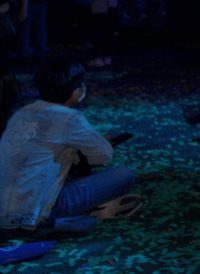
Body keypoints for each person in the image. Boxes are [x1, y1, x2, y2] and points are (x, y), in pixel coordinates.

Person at [0, 59, 139, 235]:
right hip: (31, 213)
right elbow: (103, 156)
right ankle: (55, 222)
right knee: (124, 175)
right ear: (75, 92)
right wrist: (100, 144)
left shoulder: (22, 114)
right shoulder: (69, 118)